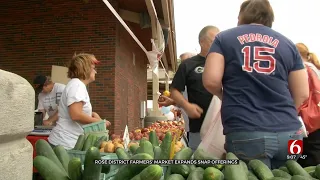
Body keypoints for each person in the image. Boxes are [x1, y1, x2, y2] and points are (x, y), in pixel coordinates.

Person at [202, 0, 309, 169]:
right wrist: (285, 115)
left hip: (246, 131)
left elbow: (211, 80)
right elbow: (303, 93)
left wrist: (225, 96)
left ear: (241, 16)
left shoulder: (224, 39)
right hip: (291, 135)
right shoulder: (289, 44)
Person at [169, 26, 220, 151]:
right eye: (214, 41)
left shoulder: (224, 63)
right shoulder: (188, 64)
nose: (218, 45)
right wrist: (186, 106)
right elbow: (174, 90)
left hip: (221, 127)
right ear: (202, 42)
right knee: (199, 165)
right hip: (198, 127)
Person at [48, 53, 111, 149]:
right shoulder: (77, 86)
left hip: (66, 142)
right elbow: (76, 115)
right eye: (94, 68)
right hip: (65, 143)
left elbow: (75, 112)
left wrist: (91, 114)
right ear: (85, 69)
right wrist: (99, 122)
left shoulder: (76, 85)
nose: (96, 72)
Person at [296, 43, 320, 167]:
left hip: (306, 121)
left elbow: (301, 95)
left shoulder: (302, 69)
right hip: (317, 120)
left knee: (300, 157)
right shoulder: (317, 69)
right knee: (316, 155)